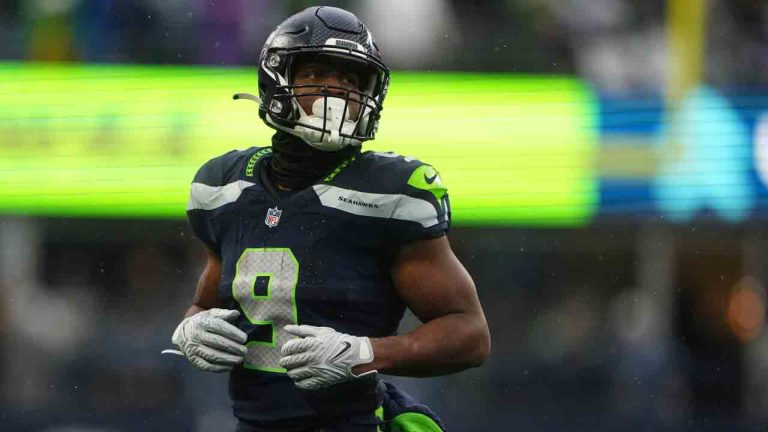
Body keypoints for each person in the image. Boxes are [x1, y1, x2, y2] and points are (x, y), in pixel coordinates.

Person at [170, 6, 490, 432]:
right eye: (318, 75)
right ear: (278, 79)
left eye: (351, 80)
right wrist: (191, 330)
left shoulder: (392, 189)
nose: (338, 92)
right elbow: (208, 304)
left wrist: (365, 353)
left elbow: (469, 333)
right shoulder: (222, 187)